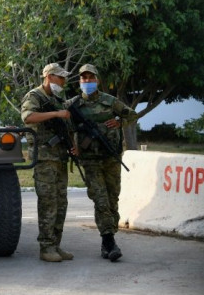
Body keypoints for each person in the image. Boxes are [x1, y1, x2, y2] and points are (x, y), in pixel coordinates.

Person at [68, 63, 138, 262]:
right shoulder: (73, 105)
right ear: (80, 81)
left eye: (91, 78)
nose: (87, 81)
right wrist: (72, 146)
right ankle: (108, 240)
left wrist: (118, 122)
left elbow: (131, 115)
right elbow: (64, 126)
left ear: (97, 80)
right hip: (90, 161)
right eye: (84, 78)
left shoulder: (110, 101)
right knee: (100, 199)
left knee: (112, 198)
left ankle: (108, 237)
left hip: (111, 159)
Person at [20, 62, 74, 262]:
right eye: (60, 78)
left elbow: (66, 126)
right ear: (49, 77)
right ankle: (46, 247)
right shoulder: (34, 96)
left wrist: (72, 146)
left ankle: (56, 245)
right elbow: (28, 117)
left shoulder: (58, 98)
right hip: (44, 159)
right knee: (48, 202)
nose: (63, 81)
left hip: (59, 157)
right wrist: (56, 113)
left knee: (61, 203)